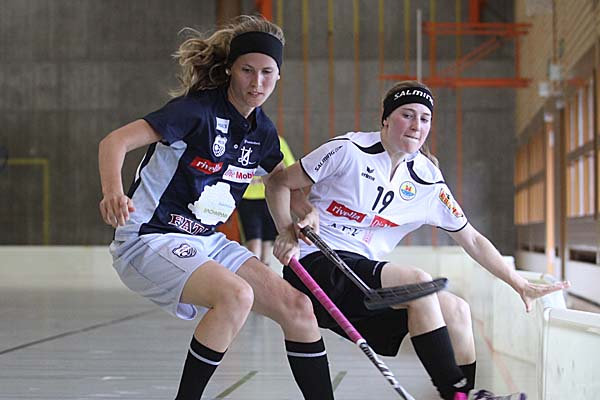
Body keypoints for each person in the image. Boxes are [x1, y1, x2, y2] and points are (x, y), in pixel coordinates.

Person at [265, 80, 570, 400]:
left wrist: (518, 283)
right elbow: (279, 184)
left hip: (362, 281)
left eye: (425, 119)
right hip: (318, 264)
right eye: (407, 115)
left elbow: (472, 239)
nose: (416, 125)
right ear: (385, 118)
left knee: (457, 310)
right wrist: (288, 229)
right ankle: (456, 393)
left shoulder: (427, 180)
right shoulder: (348, 150)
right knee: (419, 284)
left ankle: (462, 395)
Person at [98, 15, 334, 400]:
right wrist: (112, 191)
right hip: (150, 238)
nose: (257, 83)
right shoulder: (194, 112)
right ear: (229, 69)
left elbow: (281, 182)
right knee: (236, 295)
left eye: (267, 73)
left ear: (278, 76)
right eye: (247, 70)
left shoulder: (263, 132)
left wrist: (300, 216)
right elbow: (114, 142)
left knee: (298, 307)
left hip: (206, 241)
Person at [238, 135, 295, 266]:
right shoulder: (276, 140)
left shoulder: (243, 138)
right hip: (262, 197)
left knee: (258, 241)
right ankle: (259, 269)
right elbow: (290, 166)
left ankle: (258, 270)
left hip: (257, 197)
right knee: (260, 242)